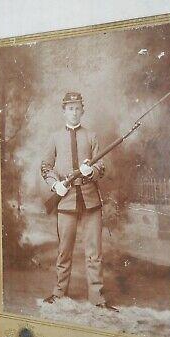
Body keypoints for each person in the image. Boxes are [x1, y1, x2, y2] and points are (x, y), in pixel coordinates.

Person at [41, 92, 118, 311]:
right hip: (65, 200)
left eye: (77, 108)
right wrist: (55, 185)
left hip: (91, 200)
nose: (74, 112)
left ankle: (97, 298)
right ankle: (59, 292)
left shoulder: (91, 136)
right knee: (64, 250)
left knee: (94, 251)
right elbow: (46, 166)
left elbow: (101, 167)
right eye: (70, 108)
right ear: (63, 111)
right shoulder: (54, 137)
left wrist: (90, 170)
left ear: (82, 110)